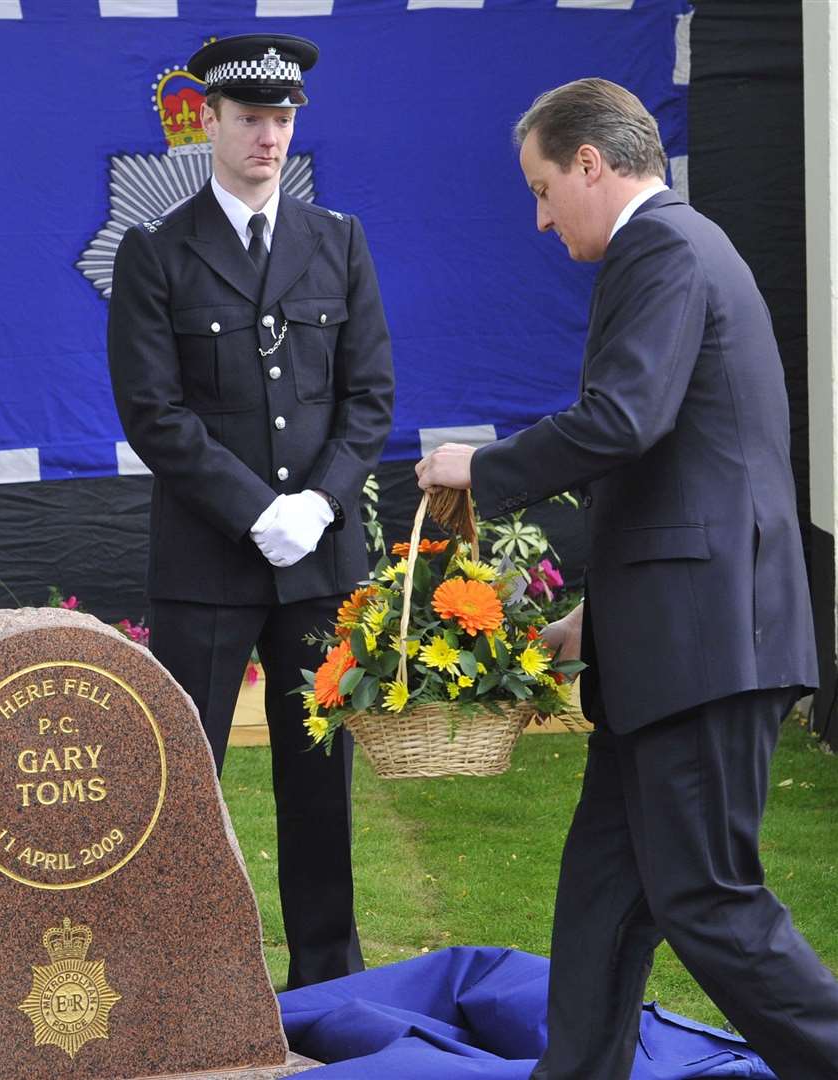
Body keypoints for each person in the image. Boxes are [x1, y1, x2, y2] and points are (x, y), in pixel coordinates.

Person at [416, 78, 838, 1078]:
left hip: (704, 650)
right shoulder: (683, 249)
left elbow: (622, 421)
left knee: (703, 901)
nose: (537, 216)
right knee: (603, 896)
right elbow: (684, 473)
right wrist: (592, 625)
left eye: (540, 187)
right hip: (677, 642)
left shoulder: (660, 249)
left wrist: (480, 467)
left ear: (589, 164)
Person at [108, 33, 394, 988]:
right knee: (186, 781)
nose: (268, 136)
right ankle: (178, 979)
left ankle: (326, 978)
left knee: (318, 778)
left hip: (318, 558)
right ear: (210, 125)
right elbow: (153, 410)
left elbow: (370, 397)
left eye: (282, 119)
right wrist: (250, 509)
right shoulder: (155, 252)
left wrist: (316, 500)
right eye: (249, 119)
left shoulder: (337, 240)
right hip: (208, 560)